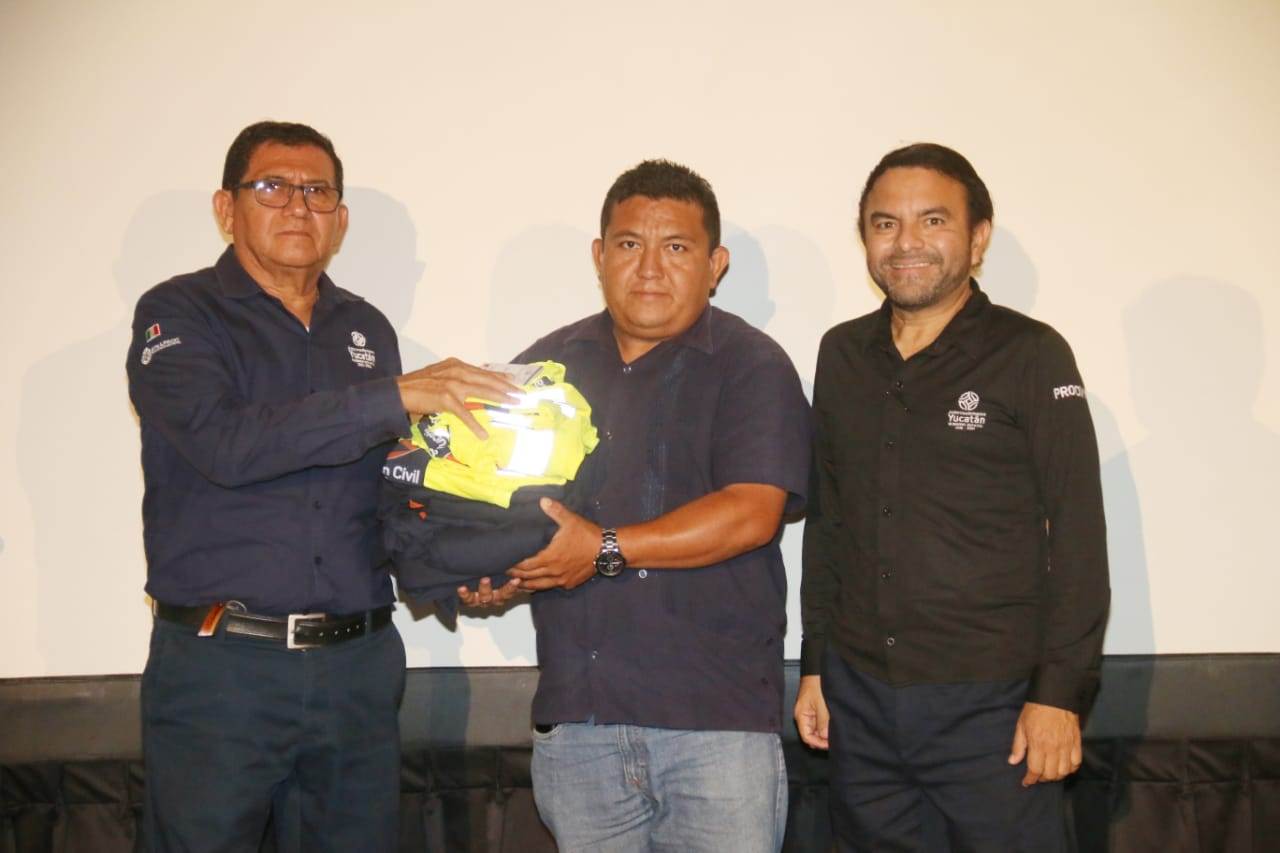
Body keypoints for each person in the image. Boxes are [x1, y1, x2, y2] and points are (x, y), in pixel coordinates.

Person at [126, 120, 516, 853]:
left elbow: (390, 489)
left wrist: (461, 569)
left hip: (356, 669)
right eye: (273, 187)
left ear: (340, 217)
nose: (298, 206)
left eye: (318, 192)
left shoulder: (364, 328)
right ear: (226, 208)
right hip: (223, 669)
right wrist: (390, 397)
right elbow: (225, 443)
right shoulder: (179, 313)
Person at [463, 159, 810, 852]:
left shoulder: (752, 364)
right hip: (578, 727)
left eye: (676, 247)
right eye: (629, 244)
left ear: (715, 264)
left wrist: (603, 548)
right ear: (599, 256)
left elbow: (752, 512)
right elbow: (501, 509)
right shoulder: (543, 369)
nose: (650, 268)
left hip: (715, 730)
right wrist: (494, 572)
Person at [794, 143, 1110, 851]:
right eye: (885, 223)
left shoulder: (1032, 354)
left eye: (932, 220)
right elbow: (830, 523)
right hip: (860, 701)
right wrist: (815, 663)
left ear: (979, 236)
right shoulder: (841, 354)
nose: (906, 242)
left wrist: (1059, 695)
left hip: (995, 708)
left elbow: (1079, 536)